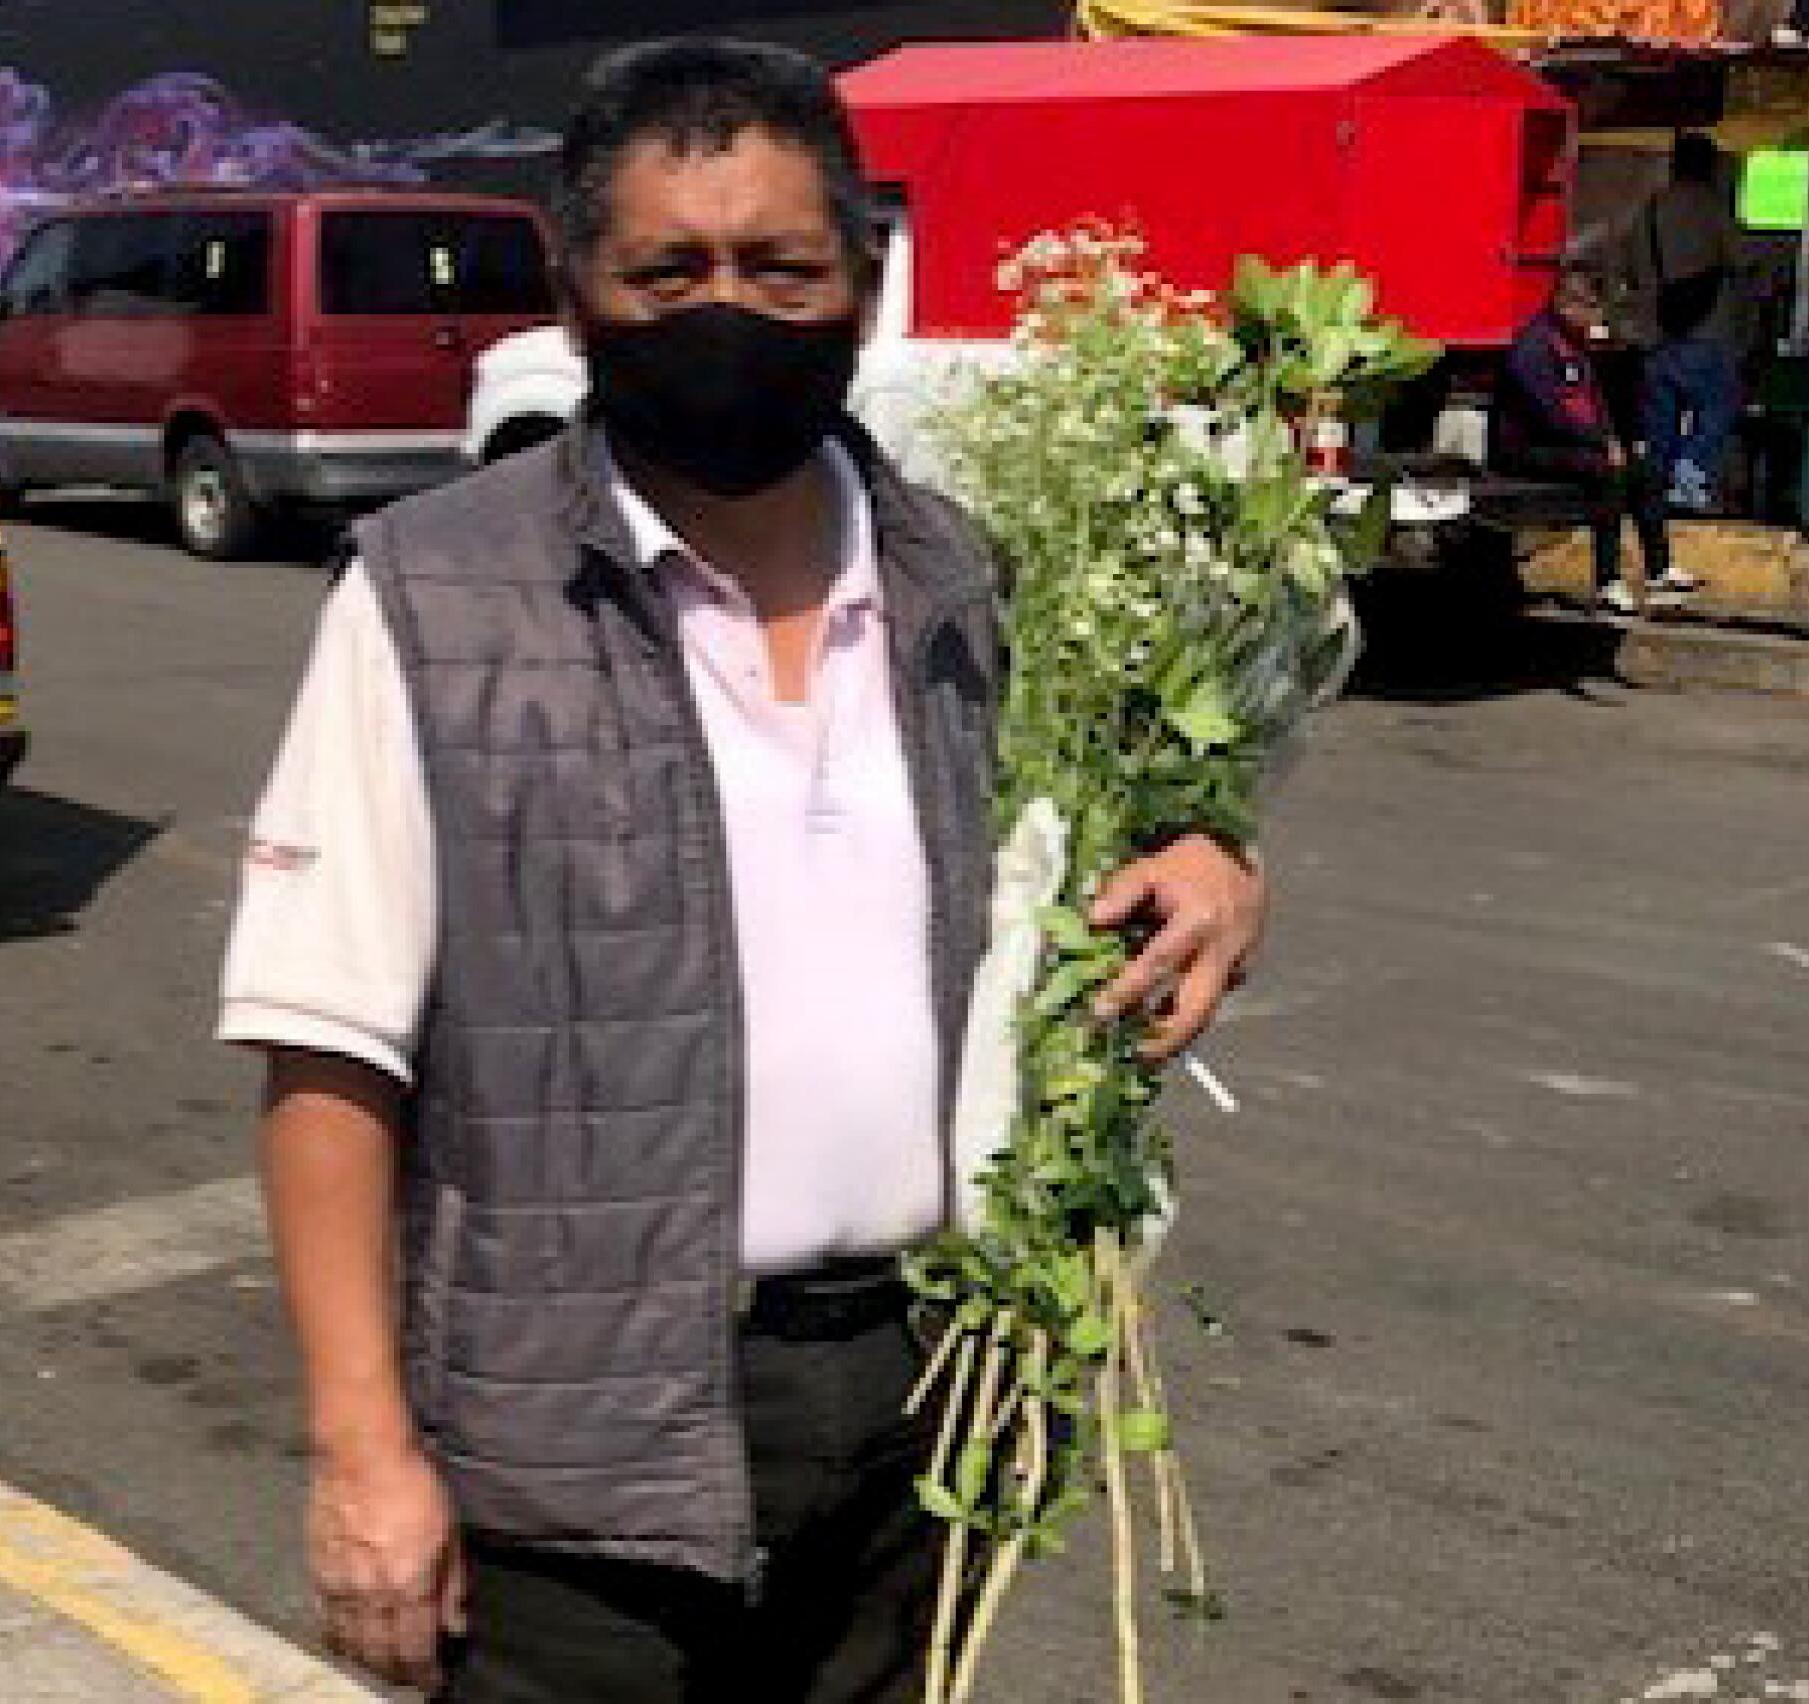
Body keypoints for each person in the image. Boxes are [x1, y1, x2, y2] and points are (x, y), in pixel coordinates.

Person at [216, 38, 1266, 1704]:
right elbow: (328, 1043)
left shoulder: (968, 581)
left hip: (919, 1398)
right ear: (577, 295)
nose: (727, 310)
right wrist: (362, 1453)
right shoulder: (434, 599)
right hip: (571, 1454)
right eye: (669, 270)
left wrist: (1213, 856)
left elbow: (1108, 838)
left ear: (861, 280)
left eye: (781, 266)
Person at [1494, 266, 1692, 615]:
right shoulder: (1533, 349)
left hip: (1577, 442)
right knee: (1606, 474)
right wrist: (1599, 443)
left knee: (1644, 471)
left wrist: (1616, 438)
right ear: (1566, 305)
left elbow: (1594, 402)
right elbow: (1548, 414)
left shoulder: (1576, 349)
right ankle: (1607, 579)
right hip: (1530, 448)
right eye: (1590, 308)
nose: (1595, 317)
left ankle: (1659, 569)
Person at [1627, 131, 1744, 513]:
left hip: (1656, 331)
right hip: (1705, 330)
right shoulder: (1711, 206)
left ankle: (1655, 487)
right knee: (1717, 404)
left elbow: (1632, 268)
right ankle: (1691, 471)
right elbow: (1739, 259)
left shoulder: (1650, 209)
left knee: (1660, 416)